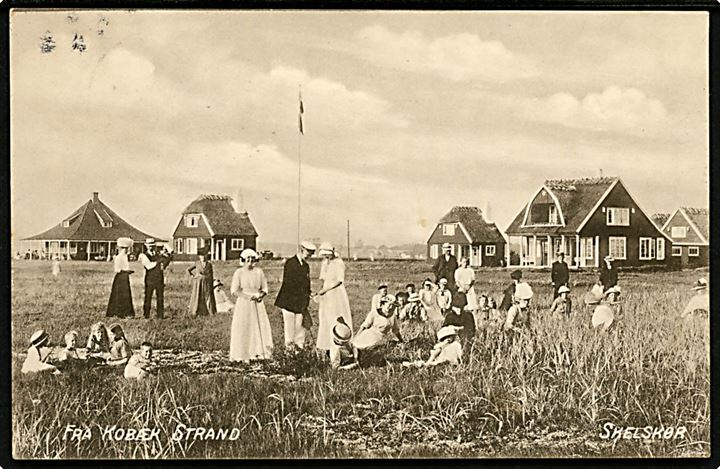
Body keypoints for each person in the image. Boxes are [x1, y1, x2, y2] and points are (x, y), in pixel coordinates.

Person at [230, 249, 273, 362]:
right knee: (244, 326)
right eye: (247, 259)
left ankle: (258, 353)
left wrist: (260, 295)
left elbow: (264, 288)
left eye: (252, 259)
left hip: (258, 303)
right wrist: (248, 297)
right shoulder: (239, 272)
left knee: (258, 326)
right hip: (244, 303)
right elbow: (234, 291)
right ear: (243, 260)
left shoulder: (259, 272)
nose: (250, 261)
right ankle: (242, 354)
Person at [274, 241, 316, 349]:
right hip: (289, 302)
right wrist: (304, 293)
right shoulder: (290, 263)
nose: (309, 256)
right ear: (302, 250)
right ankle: (289, 354)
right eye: (308, 253)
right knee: (290, 330)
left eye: (311, 254)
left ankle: (299, 352)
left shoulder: (306, 266)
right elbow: (290, 284)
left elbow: (306, 283)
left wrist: (309, 293)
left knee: (300, 329)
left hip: (300, 303)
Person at [313, 242, 353, 352]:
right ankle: (326, 345)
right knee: (325, 317)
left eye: (327, 255)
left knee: (336, 316)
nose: (326, 257)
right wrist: (319, 292)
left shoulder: (339, 263)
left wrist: (324, 290)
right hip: (326, 293)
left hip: (336, 293)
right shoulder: (325, 262)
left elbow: (339, 281)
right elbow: (322, 279)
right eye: (324, 255)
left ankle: (340, 342)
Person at [353, 297, 403, 366]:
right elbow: (364, 326)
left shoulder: (392, 316)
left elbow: (395, 330)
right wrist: (357, 336)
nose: (390, 307)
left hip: (381, 338)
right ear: (383, 304)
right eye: (389, 305)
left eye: (393, 306)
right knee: (361, 346)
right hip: (370, 335)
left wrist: (401, 340)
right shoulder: (374, 313)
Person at [107, 237, 135, 318]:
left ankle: (125, 312)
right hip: (121, 278)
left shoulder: (124, 257)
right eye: (126, 249)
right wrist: (127, 271)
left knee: (125, 294)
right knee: (121, 295)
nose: (127, 250)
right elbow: (118, 270)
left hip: (124, 277)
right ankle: (121, 313)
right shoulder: (119, 257)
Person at [139, 238, 165, 319]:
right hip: (150, 279)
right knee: (148, 297)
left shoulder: (158, 254)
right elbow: (149, 266)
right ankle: (146, 314)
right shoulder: (143, 255)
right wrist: (159, 261)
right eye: (149, 246)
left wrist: (165, 258)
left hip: (159, 278)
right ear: (146, 246)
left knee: (160, 297)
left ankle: (160, 315)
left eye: (152, 246)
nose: (151, 247)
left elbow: (164, 265)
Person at [187, 247, 217, 317]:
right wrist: (193, 276)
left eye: (204, 255)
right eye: (201, 256)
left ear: (206, 256)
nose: (203, 257)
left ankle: (210, 312)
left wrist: (211, 284)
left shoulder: (209, 265)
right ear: (199, 256)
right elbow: (188, 270)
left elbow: (211, 275)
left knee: (208, 296)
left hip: (207, 282)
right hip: (198, 283)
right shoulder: (197, 263)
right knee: (197, 295)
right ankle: (195, 311)